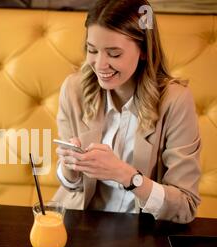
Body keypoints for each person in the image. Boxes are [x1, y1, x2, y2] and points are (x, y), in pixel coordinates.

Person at [52, 0, 201, 223]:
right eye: (92, 50)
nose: (100, 65)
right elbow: (71, 186)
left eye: (113, 54)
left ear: (143, 50)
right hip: (80, 226)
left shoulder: (175, 100)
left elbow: (185, 206)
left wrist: (125, 175)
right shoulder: (75, 89)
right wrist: (70, 167)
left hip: (143, 234)